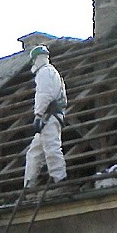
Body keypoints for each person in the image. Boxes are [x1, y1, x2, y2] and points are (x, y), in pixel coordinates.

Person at [24, 44, 68, 187]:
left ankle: (60, 179)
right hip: (50, 117)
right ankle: (29, 185)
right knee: (34, 152)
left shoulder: (45, 72)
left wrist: (38, 115)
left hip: (48, 117)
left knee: (51, 148)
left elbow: (44, 95)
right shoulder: (52, 72)